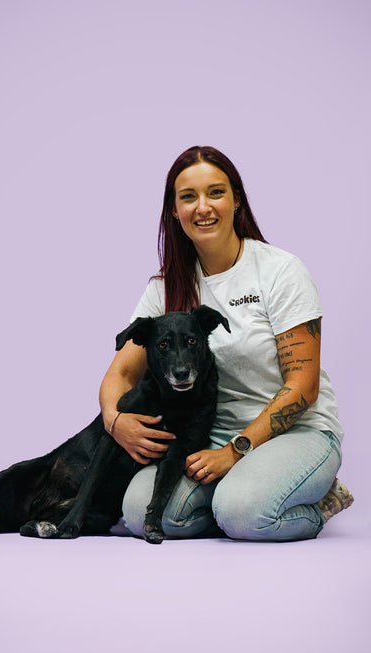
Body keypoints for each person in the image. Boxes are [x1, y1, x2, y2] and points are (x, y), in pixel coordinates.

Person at [99, 146, 353, 541]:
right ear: (174, 210)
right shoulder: (163, 289)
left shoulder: (279, 271)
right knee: (139, 512)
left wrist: (234, 452)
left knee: (244, 513)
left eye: (215, 192)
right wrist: (116, 422)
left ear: (236, 200)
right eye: (189, 197)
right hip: (208, 438)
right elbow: (121, 372)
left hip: (297, 433)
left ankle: (309, 503)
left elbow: (304, 387)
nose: (203, 207)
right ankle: (237, 501)